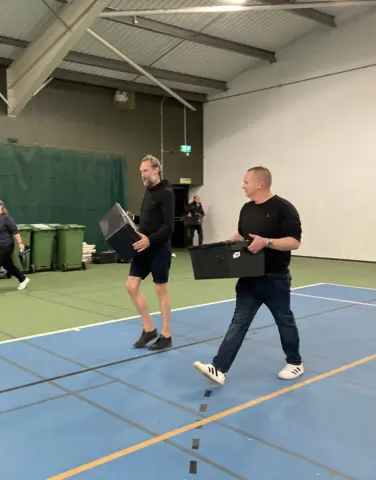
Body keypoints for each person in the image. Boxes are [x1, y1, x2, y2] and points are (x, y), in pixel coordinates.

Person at [193, 166, 304, 385]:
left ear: (259, 183)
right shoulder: (246, 209)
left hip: (275, 278)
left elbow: (294, 242)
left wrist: (267, 242)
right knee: (239, 322)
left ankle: (295, 362)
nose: (242, 185)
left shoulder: (284, 208)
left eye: (245, 182)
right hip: (248, 277)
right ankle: (219, 368)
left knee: (284, 321)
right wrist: (232, 240)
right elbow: (242, 235)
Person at [126, 155, 175, 351]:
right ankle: (149, 329)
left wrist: (150, 240)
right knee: (131, 286)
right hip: (143, 247)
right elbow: (150, 220)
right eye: (141, 172)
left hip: (159, 248)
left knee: (160, 290)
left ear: (156, 170)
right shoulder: (148, 191)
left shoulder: (167, 193)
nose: (142, 175)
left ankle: (166, 335)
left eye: (145, 170)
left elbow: (169, 226)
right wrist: (134, 218)